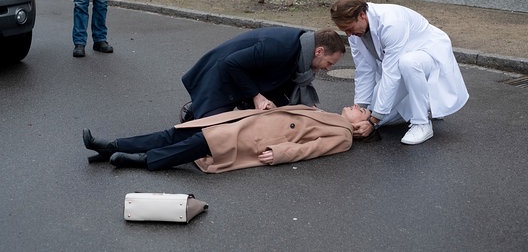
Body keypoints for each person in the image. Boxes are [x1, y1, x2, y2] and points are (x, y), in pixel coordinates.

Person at [330, 0, 469, 145]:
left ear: (362, 16)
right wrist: (361, 110)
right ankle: (428, 107)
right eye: (345, 31)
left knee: (407, 63)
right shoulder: (355, 32)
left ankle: (421, 123)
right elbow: (364, 70)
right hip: (403, 65)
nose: (349, 34)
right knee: (379, 109)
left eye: (349, 29)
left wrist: (373, 121)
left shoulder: (391, 22)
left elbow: (392, 73)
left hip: (430, 54)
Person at [82, 104, 371, 173]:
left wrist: (280, 153)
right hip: (249, 121)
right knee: (177, 132)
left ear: (361, 127)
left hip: (255, 137)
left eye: (363, 111)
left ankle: (141, 161)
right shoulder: (330, 114)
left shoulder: (343, 135)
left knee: (197, 145)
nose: (358, 107)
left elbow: (312, 149)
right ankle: (112, 147)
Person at [181, 27, 346, 121]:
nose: (328, 68)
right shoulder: (281, 47)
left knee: (283, 117)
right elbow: (231, 64)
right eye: (329, 63)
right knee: (209, 133)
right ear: (319, 51)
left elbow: (286, 80)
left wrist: (309, 108)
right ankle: (194, 110)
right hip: (220, 75)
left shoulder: (302, 48)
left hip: (251, 76)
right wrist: (257, 97)